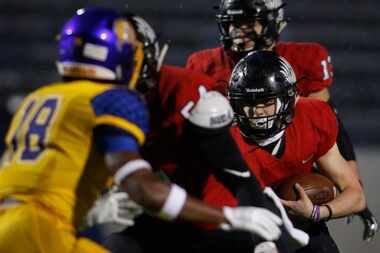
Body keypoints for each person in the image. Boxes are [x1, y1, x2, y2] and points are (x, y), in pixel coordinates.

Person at [0, 7, 289, 253]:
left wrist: (89, 212)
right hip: (42, 232)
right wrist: (229, 216)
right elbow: (142, 188)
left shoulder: (37, 99)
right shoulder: (112, 98)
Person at [95, 14, 310, 253]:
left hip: (223, 217)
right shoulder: (84, 107)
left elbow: (238, 175)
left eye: (120, 65)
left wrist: (257, 231)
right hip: (171, 216)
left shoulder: (182, 92)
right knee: (119, 245)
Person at [186, 0, 378, 241]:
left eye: (247, 22)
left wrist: (349, 186)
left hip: (291, 165)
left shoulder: (303, 61)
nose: (237, 31)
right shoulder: (204, 64)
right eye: (232, 22)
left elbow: (328, 124)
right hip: (236, 166)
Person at [201, 50, 366, 253]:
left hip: (302, 224)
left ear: (290, 99)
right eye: (249, 102)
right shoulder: (225, 138)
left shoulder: (313, 117)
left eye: (266, 102)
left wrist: (315, 212)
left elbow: (356, 195)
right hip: (246, 227)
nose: (256, 111)